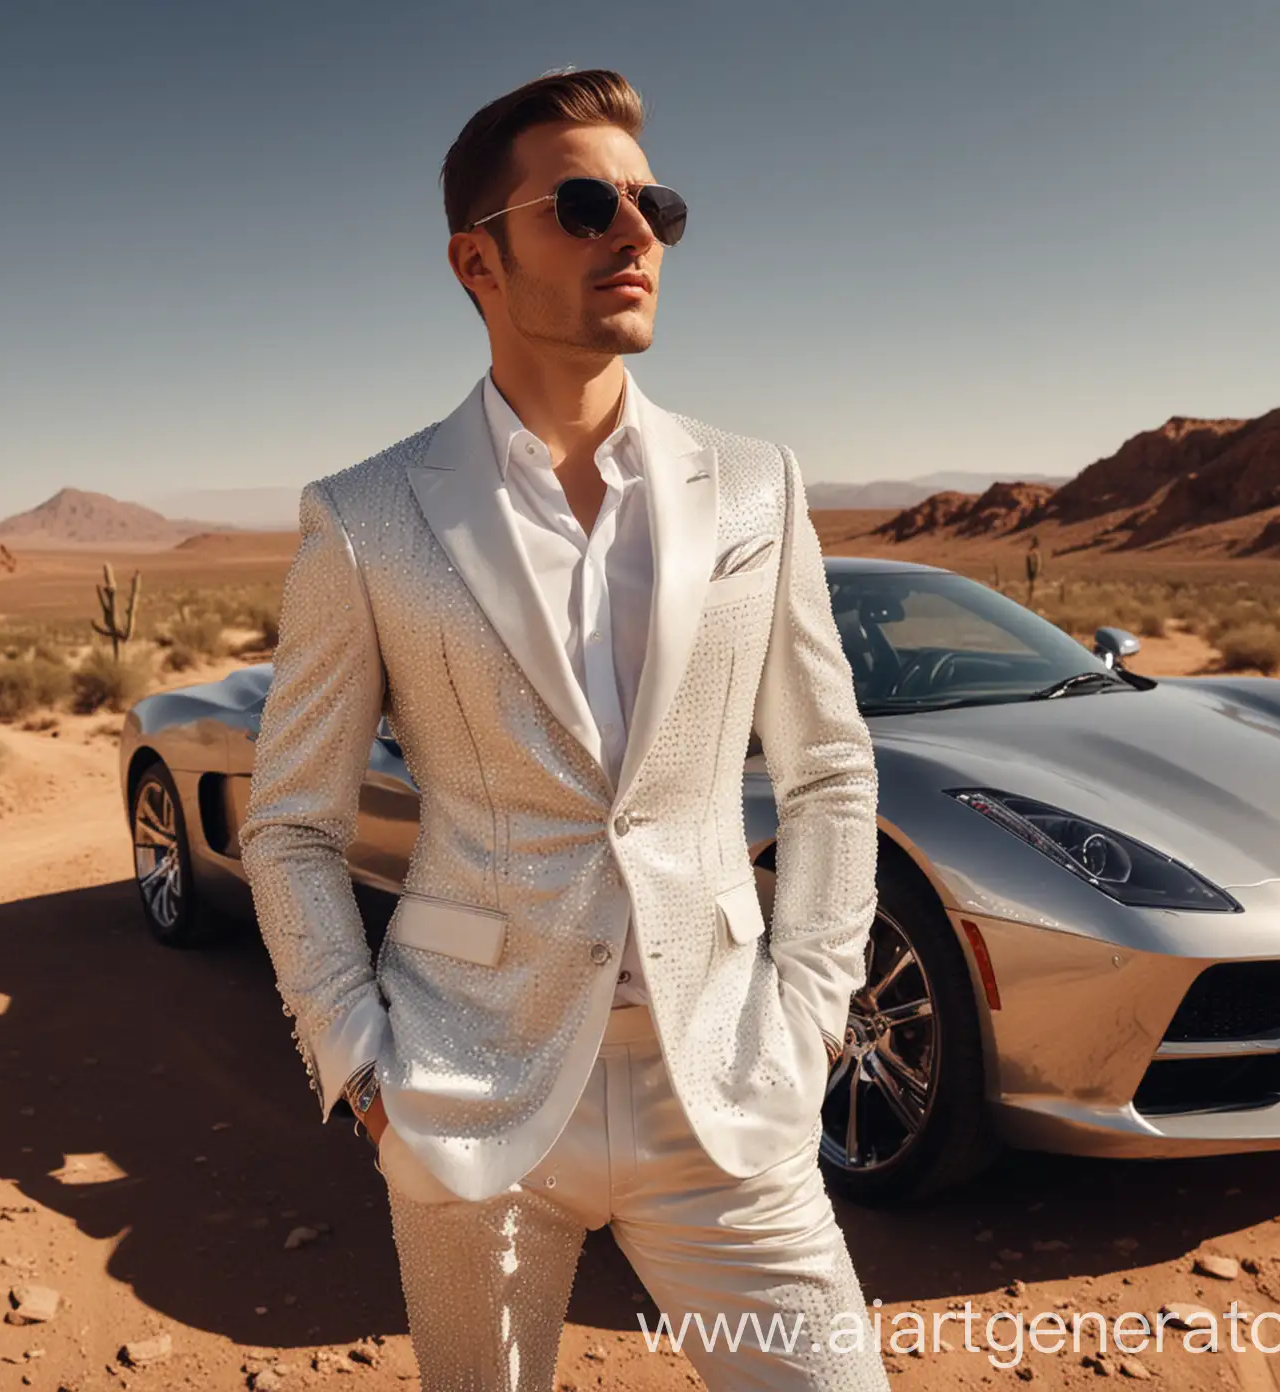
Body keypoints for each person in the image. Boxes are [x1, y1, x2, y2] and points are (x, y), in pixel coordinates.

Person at [237, 66, 889, 1391]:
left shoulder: (757, 487)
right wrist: (361, 1068)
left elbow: (827, 772)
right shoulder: (367, 518)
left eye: (656, 206)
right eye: (585, 205)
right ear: (476, 259)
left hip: (722, 1088)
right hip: (466, 1093)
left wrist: (811, 1014)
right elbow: (293, 825)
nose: (635, 233)